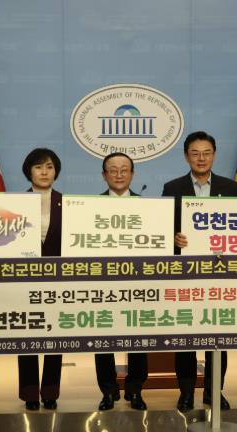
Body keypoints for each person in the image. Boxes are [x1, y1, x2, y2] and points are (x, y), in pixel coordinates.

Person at [162, 131, 237, 412]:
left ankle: (213, 391)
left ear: (214, 155)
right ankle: (185, 392)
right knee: (186, 335)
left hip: (220, 273)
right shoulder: (172, 187)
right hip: (186, 274)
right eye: (195, 153)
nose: (201, 158)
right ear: (186, 157)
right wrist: (173, 237)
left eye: (206, 153)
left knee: (218, 336)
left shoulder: (230, 188)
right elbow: (162, 228)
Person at [94, 152, 148, 411]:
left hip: (137, 284)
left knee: (138, 339)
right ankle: (108, 391)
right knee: (103, 339)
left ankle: (135, 390)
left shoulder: (147, 207)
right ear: (104, 175)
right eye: (112, 170)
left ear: (132, 174)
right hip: (102, 284)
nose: (118, 175)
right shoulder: (90, 207)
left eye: (124, 170)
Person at [18, 148, 64, 411]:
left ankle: (50, 392)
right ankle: (29, 393)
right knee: (27, 335)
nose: (44, 172)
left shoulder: (67, 203)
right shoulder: (17, 203)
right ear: (29, 172)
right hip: (25, 280)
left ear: (56, 171)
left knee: (55, 336)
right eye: (38, 167)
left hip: (58, 280)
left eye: (49, 167)